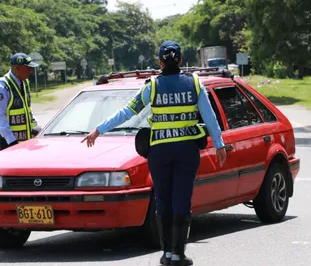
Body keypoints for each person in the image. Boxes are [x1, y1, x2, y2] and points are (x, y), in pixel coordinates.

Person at [82, 41, 227, 266]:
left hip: (159, 152)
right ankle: (178, 254)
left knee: (162, 200)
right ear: (180, 60)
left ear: (160, 62)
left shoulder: (152, 86)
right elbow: (209, 117)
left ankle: (167, 253)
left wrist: (99, 129)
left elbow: (126, 112)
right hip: (186, 152)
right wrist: (219, 144)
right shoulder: (195, 83)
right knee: (182, 200)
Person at [0, 52, 39, 151]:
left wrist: (37, 128)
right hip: (7, 141)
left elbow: (27, 110)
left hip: (23, 141)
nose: (30, 71)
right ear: (17, 68)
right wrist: (12, 142)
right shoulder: (2, 87)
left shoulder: (24, 83)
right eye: (27, 68)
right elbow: (0, 118)